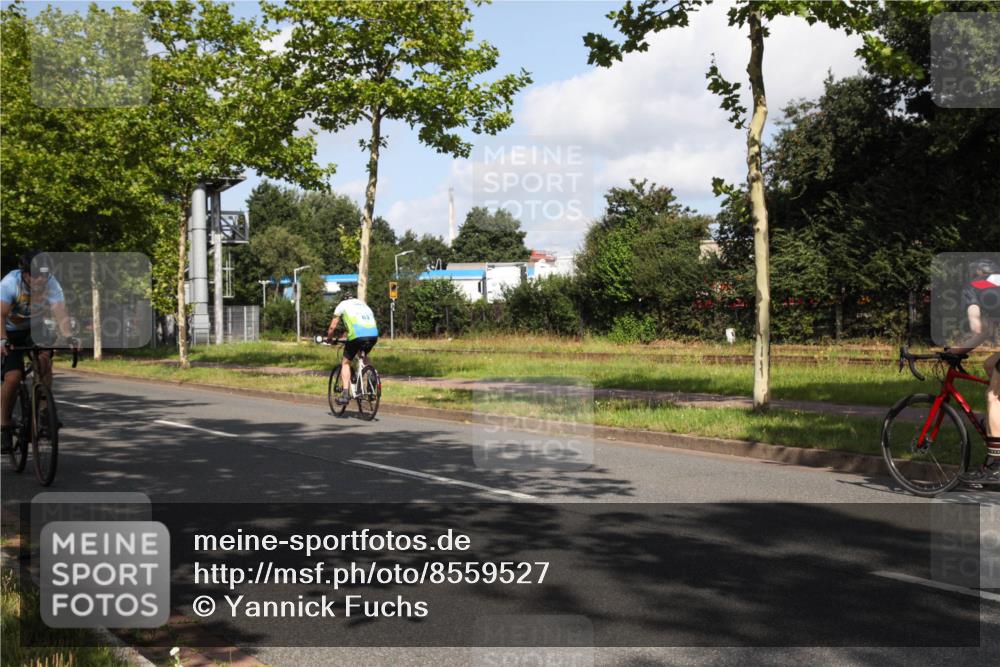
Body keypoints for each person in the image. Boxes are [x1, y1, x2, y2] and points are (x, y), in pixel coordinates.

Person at [1, 251, 77, 453]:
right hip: (7, 330)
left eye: (44, 275)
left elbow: (60, 311)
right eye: (36, 275)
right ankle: (4, 426)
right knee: (13, 377)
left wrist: (69, 337)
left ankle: (44, 413)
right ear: (25, 274)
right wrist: (2, 341)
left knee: (44, 360)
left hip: (34, 328)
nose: (41, 279)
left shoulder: (51, 284)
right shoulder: (10, 283)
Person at [952, 258, 1000, 484]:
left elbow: (978, 331)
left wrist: (953, 352)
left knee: (993, 396)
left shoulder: (974, 288)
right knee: (990, 365)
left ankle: (995, 465)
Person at [325, 288, 379, 406]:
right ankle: (371, 376)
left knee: (345, 363)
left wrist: (329, 338)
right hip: (373, 334)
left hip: (357, 335)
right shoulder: (363, 305)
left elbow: (332, 326)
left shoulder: (342, 305)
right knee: (363, 356)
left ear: (343, 299)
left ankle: (345, 394)